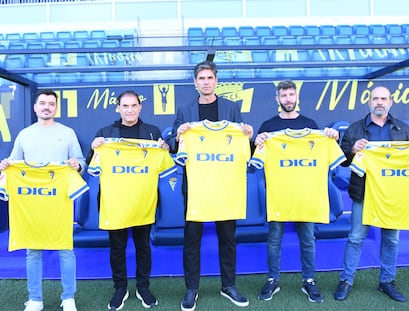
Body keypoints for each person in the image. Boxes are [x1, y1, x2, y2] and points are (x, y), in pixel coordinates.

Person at [166, 61, 254, 311]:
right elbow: (173, 143)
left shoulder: (231, 108)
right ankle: (192, 289)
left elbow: (244, 146)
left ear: (216, 81)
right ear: (195, 83)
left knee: (227, 238)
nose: (205, 82)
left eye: (209, 77)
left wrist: (248, 135)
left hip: (226, 185)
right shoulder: (185, 111)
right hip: (196, 187)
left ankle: (229, 285)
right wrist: (178, 135)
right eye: (201, 78)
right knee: (191, 239)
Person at [0, 89, 86, 311]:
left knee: (65, 249)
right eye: (43, 103)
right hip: (31, 202)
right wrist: (6, 166)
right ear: (35, 107)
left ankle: (68, 297)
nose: (47, 107)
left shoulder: (67, 133)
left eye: (51, 103)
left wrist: (78, 165)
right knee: (32, 250)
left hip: (59, 201)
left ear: (56, 108)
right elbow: (14, 163)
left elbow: (81, 162)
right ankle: (35, 299)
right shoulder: (24, 134)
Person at [254, 80, 339, 304]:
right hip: (278, 195)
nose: (288, 99)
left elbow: (328, 152)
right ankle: (273, 279)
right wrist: (257, 141)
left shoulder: (310, 124)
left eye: (292, 95)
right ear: (277, 99)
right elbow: (255, 157)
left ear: (297, 97)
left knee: (308, 239)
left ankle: (309, 281)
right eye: (284, 95)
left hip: (307, 195)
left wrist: (330, 136)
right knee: (274, 239)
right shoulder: (268, 126)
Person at [88, 90, 171, 310]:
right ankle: (120, 288)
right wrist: (94, 147)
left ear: (140, 107)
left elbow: (165, 164)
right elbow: (92, 165)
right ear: (118, 108)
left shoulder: (152, 133)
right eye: (125, 106)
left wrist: (166, 148)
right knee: (117, 247)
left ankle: (143, 287)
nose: (129, 110)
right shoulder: (105, 133)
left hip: (144, 202)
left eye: (133, 105)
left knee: (143, 247)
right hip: (114, 203)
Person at [333, 86, 409, 303]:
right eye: (375, 98)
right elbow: (342, 158)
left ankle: (387, 281)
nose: (379, 102)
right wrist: (352, 150)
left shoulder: (404, 130)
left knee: (391, 239)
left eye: (383, 98)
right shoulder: (355, 129)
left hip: (392, 194)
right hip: (363, 192)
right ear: (368, 102)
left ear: (391, 102)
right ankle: (346, 280)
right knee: (356, 237)